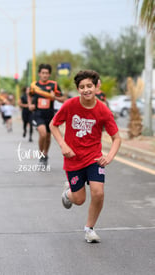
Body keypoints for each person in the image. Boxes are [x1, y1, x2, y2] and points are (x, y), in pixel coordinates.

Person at [49, 70, 121, 243]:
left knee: (98, 193)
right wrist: (63, 145)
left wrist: (109, 156)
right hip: (73, 159)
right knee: (79, 199)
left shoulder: (103, 111)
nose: (86, 90)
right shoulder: (70, 105)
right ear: (78, 89)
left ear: (96, 87)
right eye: (82, 87)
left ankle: (89, 229)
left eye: (89, 86)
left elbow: (116, 138)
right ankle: (68, 194)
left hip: (94, 158)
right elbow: (53, 125)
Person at [29, 64, 65, 166]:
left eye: (47, 73)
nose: (45, 75)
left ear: (49, 74)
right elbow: (30, 95)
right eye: (43, 73)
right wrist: (30, 104)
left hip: (49, 114)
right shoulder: (34, 85)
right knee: (43, 134)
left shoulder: (54, 85)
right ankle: (41, 154)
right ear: (39, 74)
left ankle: (45, 154)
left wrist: (55, 98)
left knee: (48, 137)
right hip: (38, 113)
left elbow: (63, 99)